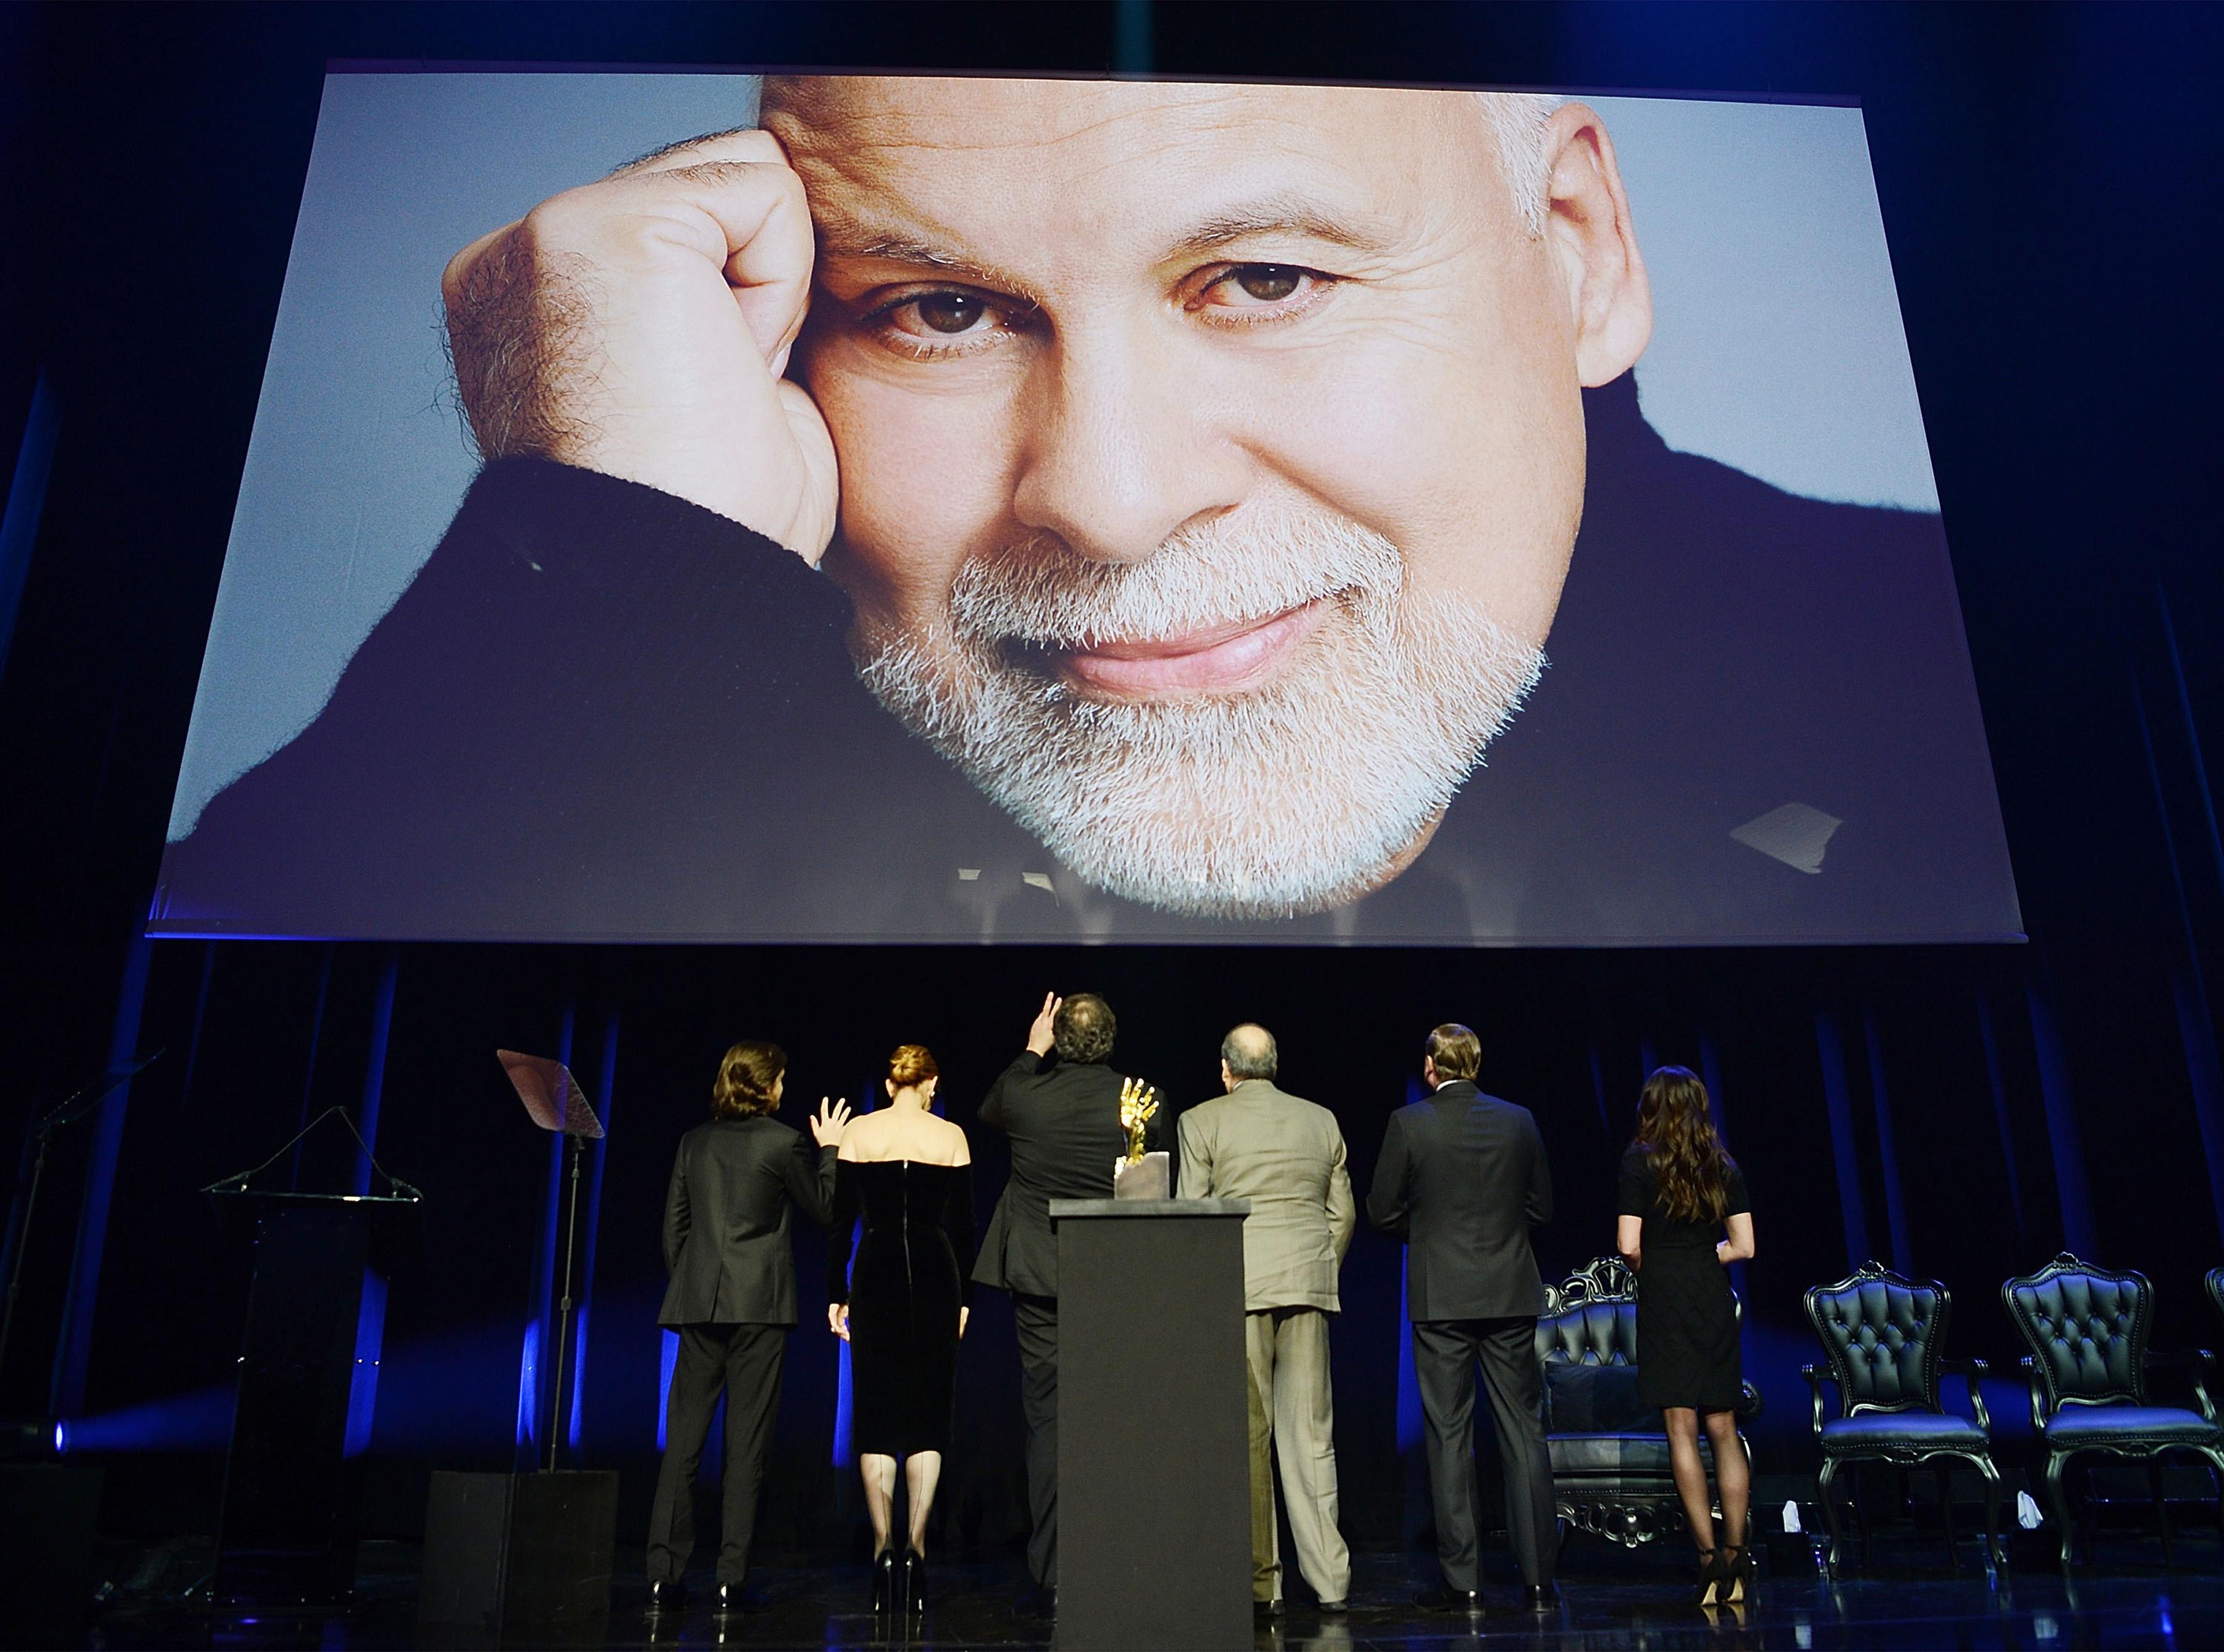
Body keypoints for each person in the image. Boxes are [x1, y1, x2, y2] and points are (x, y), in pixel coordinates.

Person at [156, 76, 2016, 948]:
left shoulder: (2000, 709)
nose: (1113, 505)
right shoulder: (626, 700)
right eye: (940, 312)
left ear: (1580, 254)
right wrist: (605, 548)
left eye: (1269, 280)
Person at [972, 992, 1168, 1604]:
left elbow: (991, 1107)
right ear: (1111, 1038)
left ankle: (1055, 1570)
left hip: (1040, 1273)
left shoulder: (1027, 1091)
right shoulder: (1140, 1099)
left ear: (1058, 1038)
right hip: (1113, 1275)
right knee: (1116, 1413)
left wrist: (1033, 1050)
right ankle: (1120, 1556)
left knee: (1049, 1419)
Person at [649, 1041, 850, 1615]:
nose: (784, 1089)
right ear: (767, 1088)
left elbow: (674, 1232)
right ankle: (729, 1579)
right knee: (746, 1445)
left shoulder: (694, 1143)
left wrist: (693, 1284)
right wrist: (830, 1149)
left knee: (682, 1443)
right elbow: (828, 1208)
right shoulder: (784, 1143)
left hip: (699, 1306)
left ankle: (663, 1575)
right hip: (759, 1307)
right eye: (781, 1080)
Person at [1366, 1023, 1557, 1612]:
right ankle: (1539, 1582)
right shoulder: (1519, 1120)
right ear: (1475, 1064)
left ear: (1432, 1068)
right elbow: (1541, 1209)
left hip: (1442, 1297)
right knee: (1523, 1432)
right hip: (1508, 1295)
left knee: (1449, 1436)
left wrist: (1426, 1235)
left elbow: (1381, 1210)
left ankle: (1465, 1583)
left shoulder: (1410, 1123)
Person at [1176, 1024, 1355, 1621]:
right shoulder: (1321, 1119)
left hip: (1240, 1289)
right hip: (1306, 1284)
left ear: (1227, 1071)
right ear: (1273, 1066)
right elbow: (1343, 1214)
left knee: (1249, 1440)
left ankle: (1263, 1587)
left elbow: (1196, 1217)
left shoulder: (1202, 1120)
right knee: (1311, 1437)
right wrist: (1316, 1263)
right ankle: (1331, 1583)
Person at [826, 1044, 975, 1617]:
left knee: (877, 1415)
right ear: (930, 1083)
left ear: (891, 1085)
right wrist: (964, 1298)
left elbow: (840, 1227)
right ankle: (915, 1548)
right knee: (929, 1416)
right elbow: (964, 1229)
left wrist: (835, 1297)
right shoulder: (951, 1137)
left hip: (878, 1270)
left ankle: (882, 1548)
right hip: (937, 1275)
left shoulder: (860, 1134)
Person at [1615, 1066, 1757, 1606]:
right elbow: (1743, 1247)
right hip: (1712, 1296)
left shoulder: (1638, 1161)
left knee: (1682, 1426)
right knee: (1723, 1424)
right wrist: (1704, 1257)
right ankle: (1736, 1558)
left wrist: (1662, 1265)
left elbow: (1629, 1245)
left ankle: (1705, 1562)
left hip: (1665, 1296)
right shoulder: (1722, 1164)